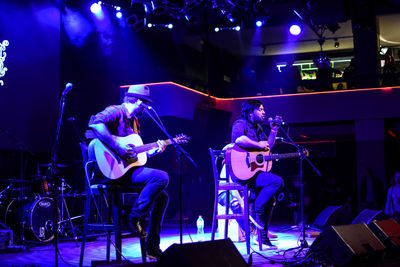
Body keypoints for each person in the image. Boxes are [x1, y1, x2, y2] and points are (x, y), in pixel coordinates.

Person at [88, 84, 169, 260]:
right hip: (108, 171)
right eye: (145, 104)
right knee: (162, 177)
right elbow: (95, 124)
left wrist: (152, 151)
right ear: (138, 100)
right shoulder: (116, 111)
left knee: (162, 196)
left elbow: (134, 156)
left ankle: (152, 247)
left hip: (125, 171)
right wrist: (117, 146)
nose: (146, 108)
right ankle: (133, 217)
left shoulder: (135, 122)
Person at [230, 99, 284, 247]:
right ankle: (256, 208)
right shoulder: (240, 124)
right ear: (250, 112)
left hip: (254, 173)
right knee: (277, 181)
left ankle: (262, 237)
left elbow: (267, 146)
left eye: (263, 109)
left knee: (271, 197)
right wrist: (257, 144)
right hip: (242, 173)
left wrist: (273, 130)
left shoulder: (259, 128)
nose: (264, 112)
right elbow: (239, 139)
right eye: (260, 109)